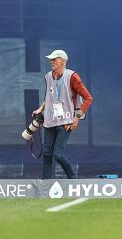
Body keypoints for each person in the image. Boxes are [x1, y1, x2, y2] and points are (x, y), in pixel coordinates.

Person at [38, 50, 93, 179]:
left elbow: (88, 99)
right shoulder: (49, 76)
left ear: (62, 61)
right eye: (51, 59)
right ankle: (46, 183)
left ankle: (73, 180)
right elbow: (49, 98)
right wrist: (40, 109)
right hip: (50, 121)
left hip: (66, 122)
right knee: (47, 154)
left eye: (54, 59)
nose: (51, 62)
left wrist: (76, 118)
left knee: (58, 155)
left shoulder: (72, 76)